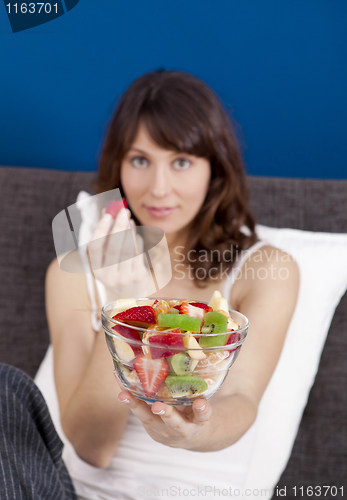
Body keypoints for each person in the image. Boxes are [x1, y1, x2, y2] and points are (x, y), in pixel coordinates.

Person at [40, 70, 299, 499]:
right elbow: (92, 448)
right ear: (119, 166)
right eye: (140, 160)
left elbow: (240, 398)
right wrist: (127, 306)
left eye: (181, 161)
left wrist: (192, 431)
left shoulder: (267, 268)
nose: (159, 188)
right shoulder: (72, 274)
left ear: (213, 168)